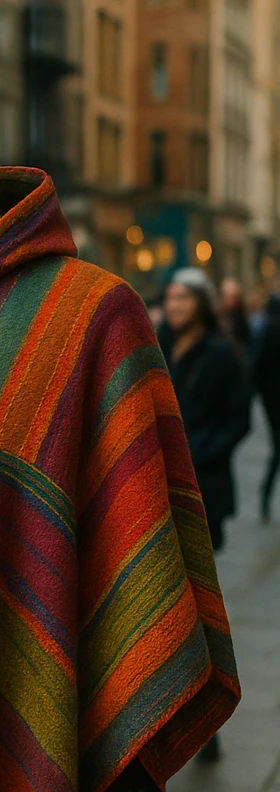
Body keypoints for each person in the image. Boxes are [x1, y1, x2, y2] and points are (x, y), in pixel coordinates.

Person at [161, 268, 248, 764]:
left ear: (202, 303)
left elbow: (239, 420)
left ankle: (205, 718)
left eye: (184, 298)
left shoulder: (218, 353)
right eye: (170, 297)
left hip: (204, 488)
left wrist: (202, 454)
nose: (175, 306)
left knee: (196, 603)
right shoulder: (157, 345)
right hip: (158, 484)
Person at [255, 290, 280, 520]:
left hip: (271, 402)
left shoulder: (265, 332)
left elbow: (258, 369)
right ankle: (264, 495)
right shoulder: (270, 333)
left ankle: (265, 495)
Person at [219, 276, 254, 363]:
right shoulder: (217, 318)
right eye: (226, 297)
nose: (229, 301)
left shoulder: (242, 318)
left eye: (233, 297)